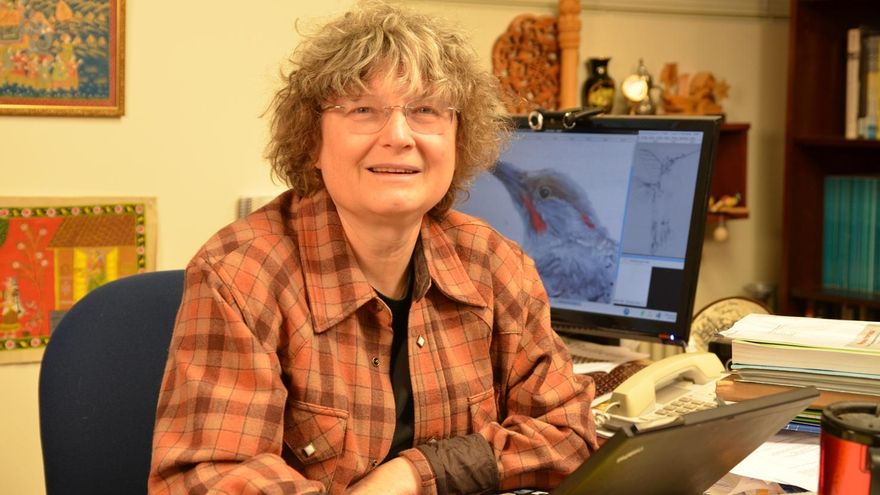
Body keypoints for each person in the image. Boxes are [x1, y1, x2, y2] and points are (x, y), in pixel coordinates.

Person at [148, 2, 598, 494]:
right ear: (312, 141)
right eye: (363, 110)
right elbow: (208, 479)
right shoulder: (240, 276)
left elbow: (569, 435)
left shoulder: (495, 263)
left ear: (458, 138)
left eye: (426, 110)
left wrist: (416, 474)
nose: (399, 136)